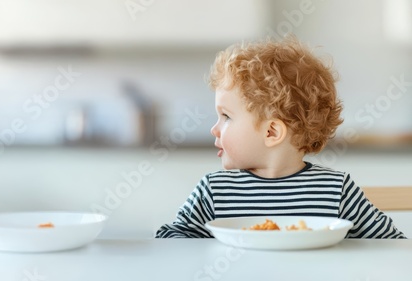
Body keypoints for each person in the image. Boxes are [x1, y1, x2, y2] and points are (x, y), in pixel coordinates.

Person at [155, 36, 406, 239]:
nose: (215, 128)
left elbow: (391, 244)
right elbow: (172, 242)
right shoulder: (214, 191)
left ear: (271, 132)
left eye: (226, 116)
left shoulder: (337, 191)